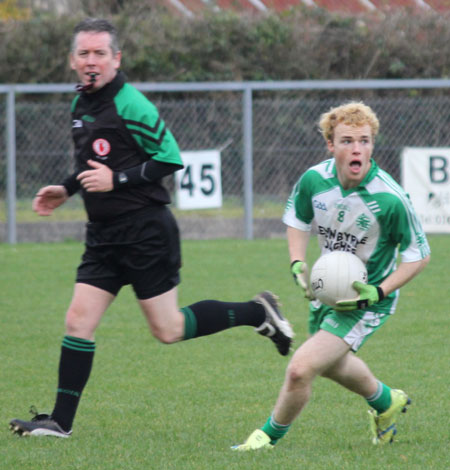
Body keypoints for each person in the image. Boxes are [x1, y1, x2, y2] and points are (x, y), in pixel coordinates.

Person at [9, 18, 293, 438]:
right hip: (103, 236)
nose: (92, 62)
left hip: (145, 232)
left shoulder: (131, 103)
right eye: (84, 54)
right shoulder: (80, 106)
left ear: (116, 58)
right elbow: (90, 165)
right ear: (72, 61)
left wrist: (116, 181)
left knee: (168, 329)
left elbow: (170, 158)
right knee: (78, 321)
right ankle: (59, 422)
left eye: (100, 54)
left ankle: (257, 312)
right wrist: (66, 189)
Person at [232, 101, 430, 450]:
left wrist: (378, 292)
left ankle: (266, 439)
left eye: (365, 141)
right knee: (334, 364)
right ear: (330, 144)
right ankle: (386, 403)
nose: (357, 149)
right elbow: (297, 217)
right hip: (328, 291)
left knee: (301, 368)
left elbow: (419, 256)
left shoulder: (390, 199)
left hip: (367, 301)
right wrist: (297, 262)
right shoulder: (314, 180)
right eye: (347, 140)